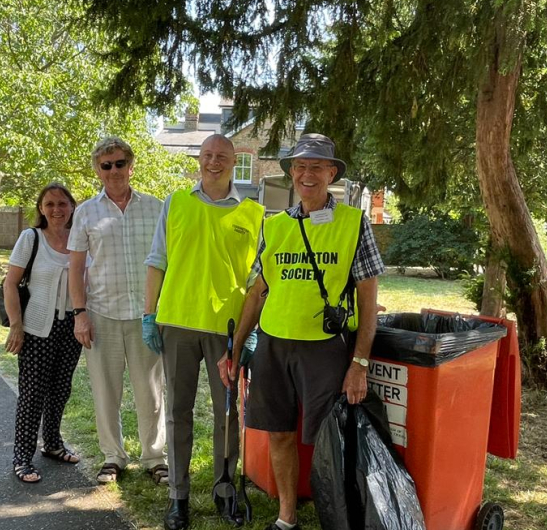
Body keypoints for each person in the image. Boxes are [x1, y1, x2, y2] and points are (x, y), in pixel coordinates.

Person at [222, 133, 385, 530]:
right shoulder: (275, 226)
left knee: (328, 440)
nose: (307, 174)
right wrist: (237, 348)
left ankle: (338, 518)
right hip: (274, 343)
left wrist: (360, 363)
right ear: (291, 172)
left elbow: (368, 301)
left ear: (331, 174)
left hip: (324, 347)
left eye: (316, 167)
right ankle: (287, 518)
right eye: (299, 166)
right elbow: (257, 291)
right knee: (279, 433)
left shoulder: (353, 223)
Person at [143, 134, 264, 530]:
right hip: (177, 322)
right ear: (199, 159)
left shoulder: (253, 213)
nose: (214, 161)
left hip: (226, 333)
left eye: (222, 156)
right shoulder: (176, 202)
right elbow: (157, 261)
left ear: (233, 161)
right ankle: (177, 497)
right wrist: (149, 314)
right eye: (208, 155)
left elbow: (257, 280)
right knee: (177, 412)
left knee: (227, 414)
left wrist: (249, 333)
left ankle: (225, 490)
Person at [67, 137, 168, 485]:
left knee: (150, 391)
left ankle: (155, 457)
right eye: (106, 165)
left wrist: (161, 311)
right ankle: (113, 457)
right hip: (101, 313)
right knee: (105, 391)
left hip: (146, 315)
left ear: (131, 166)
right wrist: (80, 313)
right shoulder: (85, 213)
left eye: (120, 163)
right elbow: (75, 268)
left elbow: (168, 262)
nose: (113, 171)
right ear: (98, 170)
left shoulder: (156, 208)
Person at [4, 182, 83, 484]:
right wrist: (16, 325)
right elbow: (10, 283)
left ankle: (52, 444)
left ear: (72, 206)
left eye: (62, 203)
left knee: (61, 389)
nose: (56, 209)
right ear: (41, 208)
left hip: (71, 327)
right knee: (32, 394)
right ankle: (22, 458)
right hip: (36, 329)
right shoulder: (31, 238)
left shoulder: (80, 238)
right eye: (49, 204)